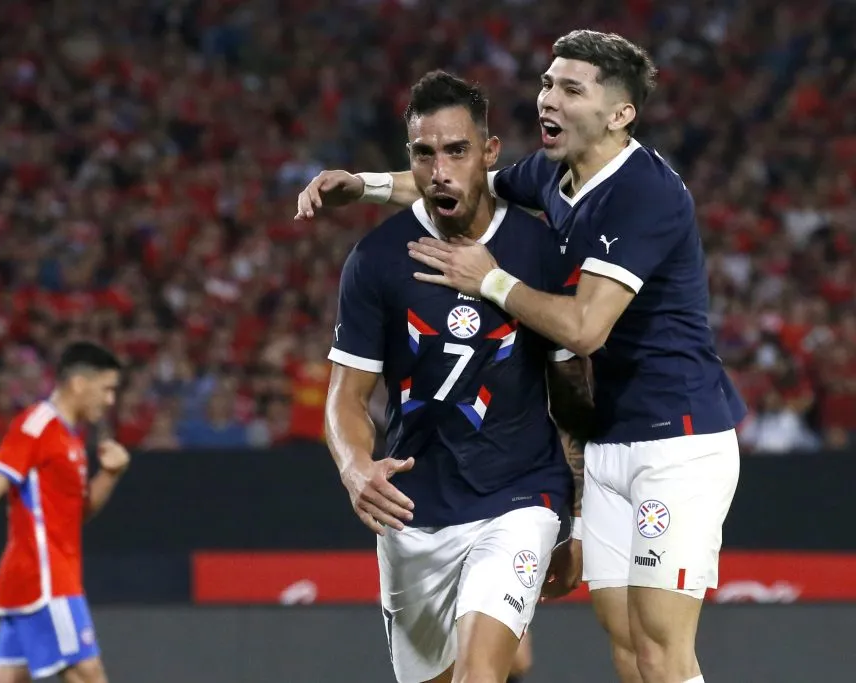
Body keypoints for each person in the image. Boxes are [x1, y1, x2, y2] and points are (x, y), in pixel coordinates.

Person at [301, 30, 749, 683]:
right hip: (609, 438)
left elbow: (587, 329)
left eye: (571, 88)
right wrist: (362, 185)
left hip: (676, 437)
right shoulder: (554, 175)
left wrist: (491, 279)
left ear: (619, 114)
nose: (548, 98)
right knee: (624, 643)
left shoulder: (644, 193)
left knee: (660, 645)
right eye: (546, 82)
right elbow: (453, 180)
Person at [324, 70, 593, 683]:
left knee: (482, 674)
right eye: (424, 153)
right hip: (414, 514)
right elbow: (346, 396)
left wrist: (576, 519)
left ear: (489, 153)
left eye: (457, 150)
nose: (440, 169)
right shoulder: (375, 260)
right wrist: (354, 466)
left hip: (519, 497)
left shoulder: (538, 251)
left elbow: (571, 395)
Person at [0, 341, 128, 683]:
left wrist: (109, 475)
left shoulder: (70, 439)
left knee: (7, 679)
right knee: (88, 674)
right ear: (78, 383)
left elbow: (75, 514)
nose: (110, 401)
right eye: (106, 389)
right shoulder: (37, 424)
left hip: (36, 579)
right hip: (47, 578)